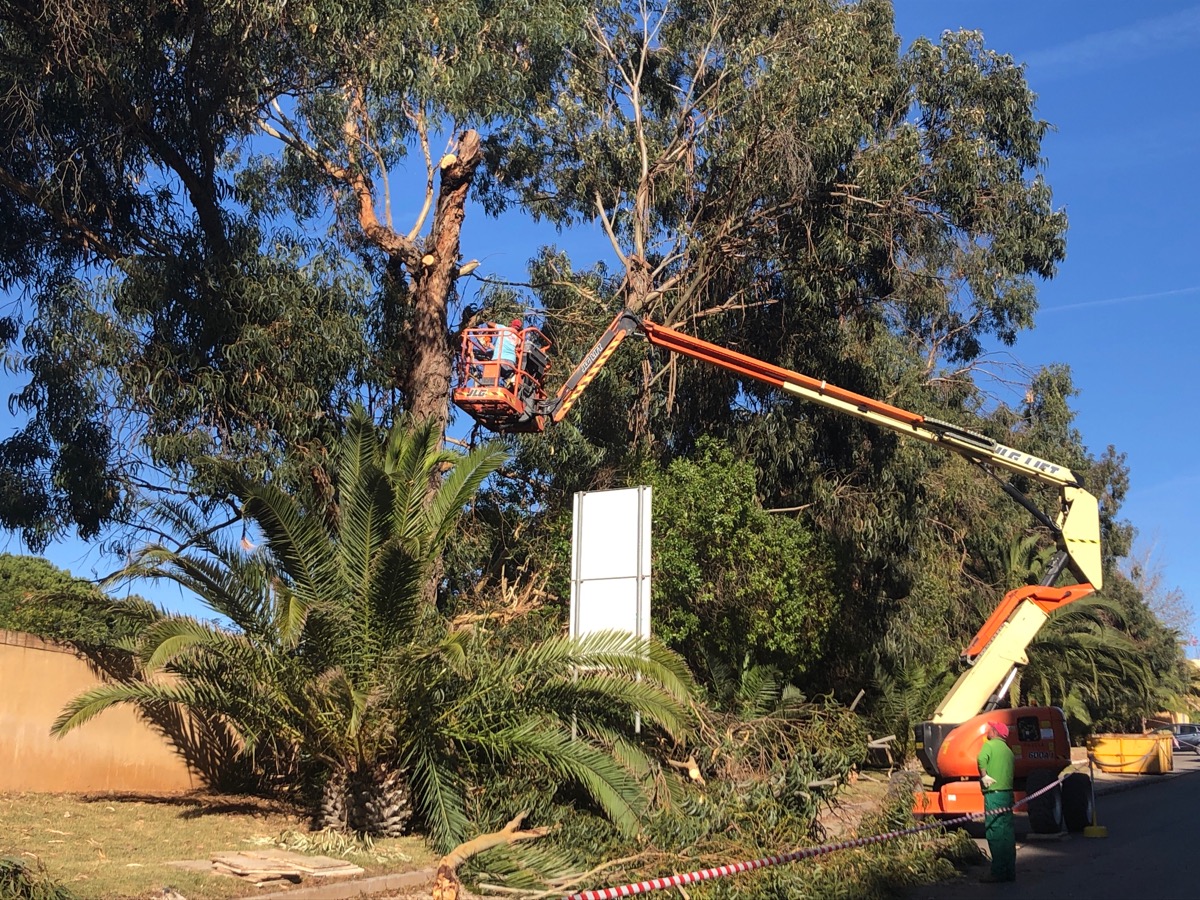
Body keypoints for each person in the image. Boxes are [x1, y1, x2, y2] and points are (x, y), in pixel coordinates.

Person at [977, 720, 1016, 883]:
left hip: (994, 795)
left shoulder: (990, 745)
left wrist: (984, 776)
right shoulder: (1009, 751)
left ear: (995, 732)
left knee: (995, 832)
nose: (988, 730)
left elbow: (980, 760)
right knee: (1007, 833)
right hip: (1007, 794)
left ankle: (998, 872)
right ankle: (1009, 871)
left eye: (990, 729)